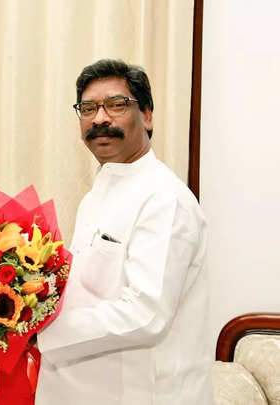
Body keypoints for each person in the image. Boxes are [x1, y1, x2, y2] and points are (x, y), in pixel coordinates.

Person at [36, 59, 213, 404]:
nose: (100, 119)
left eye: (116, 105)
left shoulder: (164, 198)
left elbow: (146, 313)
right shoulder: (96, 195)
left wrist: (43, 333)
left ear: (147, 116)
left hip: (144, 393)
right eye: (88, 108)